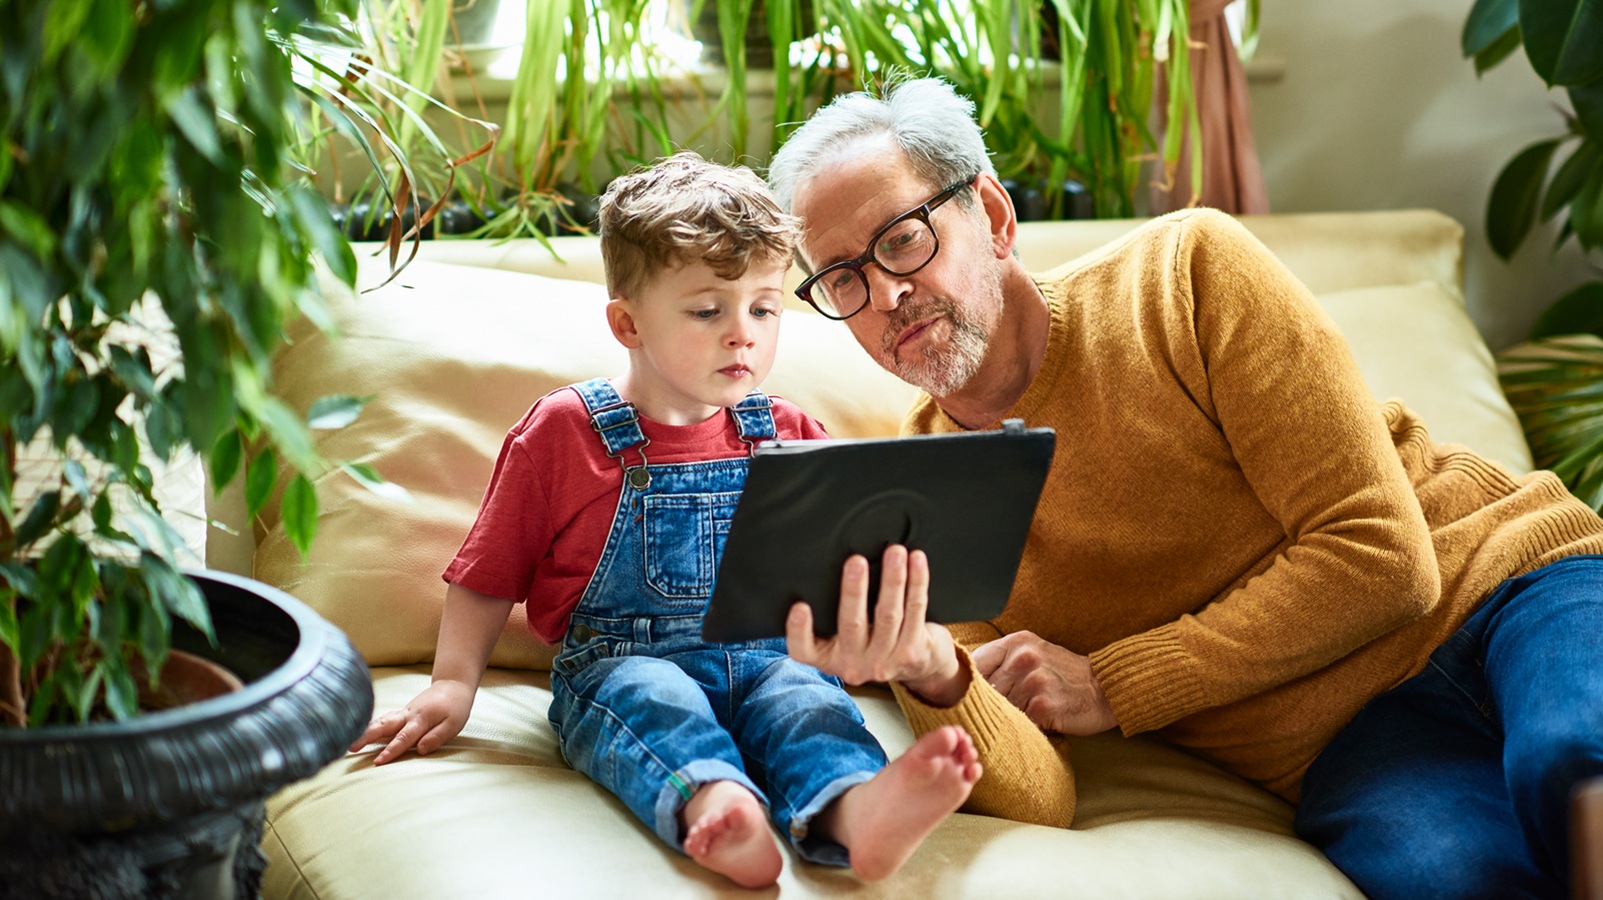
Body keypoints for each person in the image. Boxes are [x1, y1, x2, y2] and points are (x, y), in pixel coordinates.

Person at [764, 76, 1603, 899]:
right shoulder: (921, 504)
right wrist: (933, 671)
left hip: (1511, 588)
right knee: (1454, 877)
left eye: (902, 238)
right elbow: (1041, 793)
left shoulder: (1186, 273)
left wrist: (1113, 683)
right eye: (842, 279)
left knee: (1574, 752)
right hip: (1345, 744)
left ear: (990, 215)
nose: (886, 294)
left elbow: (1384, 555)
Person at [348, 151, 982, 889]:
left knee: (807, 702)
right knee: (657, 700)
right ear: (627, 323)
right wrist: (453, 684)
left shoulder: (786, 432)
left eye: (764, 307)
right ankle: (715, 807)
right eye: (707, 310)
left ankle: (852, 812)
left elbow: (845, 563)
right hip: (620, 660)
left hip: (769, 655)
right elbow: (489, 571)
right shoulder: (565, 431)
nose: (742, 333)